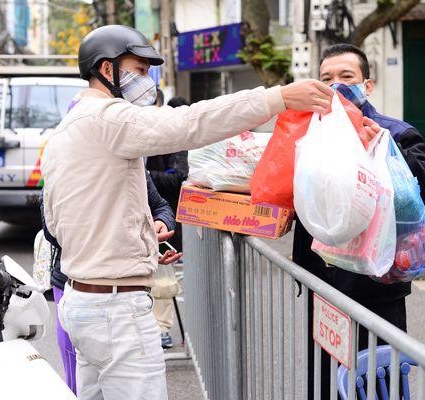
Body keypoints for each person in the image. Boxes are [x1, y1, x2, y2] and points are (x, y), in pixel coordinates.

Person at [42, 24, 332, 400]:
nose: (146, 81)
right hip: (116, 311)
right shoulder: (108, 118)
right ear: (107, 69)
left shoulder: (67, 128)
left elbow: (59, 220)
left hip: (84, 302)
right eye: (139, 70)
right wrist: (277, 97)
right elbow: (190, 123)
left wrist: (140, 240)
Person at [291, 43, 425, 399]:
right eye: (327, 78)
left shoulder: (393, 131)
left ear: (367, 85)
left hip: (377, 283)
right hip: (324, 283)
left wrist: (391, 151)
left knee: (378, 381)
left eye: (347, 77)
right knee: (327, 379)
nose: (337, 86)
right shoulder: (311, 133)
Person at [41, 171, 175, 394]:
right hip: (73, 287)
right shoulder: (65, 159)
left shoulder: (131, 163)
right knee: (74, 382)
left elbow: (161, 206)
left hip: (118, 295)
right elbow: (51, 229)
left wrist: (158, 226)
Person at [147, 89, 188, 349]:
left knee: (162, 279)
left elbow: (178, 178)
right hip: (132, 226)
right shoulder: (125, 139)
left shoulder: (173, 140)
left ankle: (161, 329)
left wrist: (142, 174)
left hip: (164, 221)